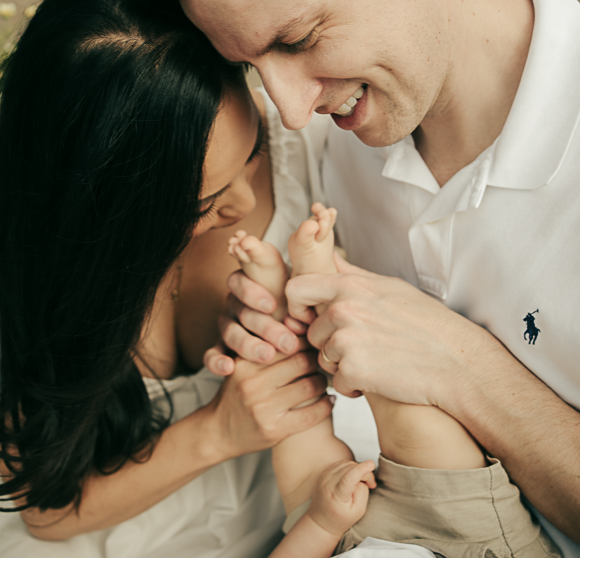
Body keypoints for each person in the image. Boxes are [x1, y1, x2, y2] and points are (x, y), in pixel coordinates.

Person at [133, 0, 580, 556]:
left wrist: (462, 368)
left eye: (297, 39)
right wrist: (271, 323)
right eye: (251, 66)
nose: (289, 111)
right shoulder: (339, 125)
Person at [0, 0, 341, 557]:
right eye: (204, 201)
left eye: (254, 151)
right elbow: (44, 508)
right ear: (104, 208)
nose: (242, 204)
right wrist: (220, 429)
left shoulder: (316, 142)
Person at [232, 205, 559, 558]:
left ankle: (285, 299)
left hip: (329, 542)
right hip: (455, 538)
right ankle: (321, 288)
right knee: (417, 427)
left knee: (295, 433)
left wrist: (321, 524)